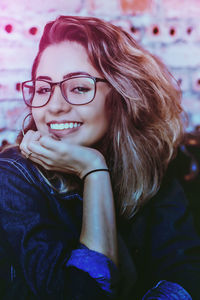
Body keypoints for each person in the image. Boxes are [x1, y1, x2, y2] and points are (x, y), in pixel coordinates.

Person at [0, 15, 200, 300]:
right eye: (44, 88)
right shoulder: (12, 178)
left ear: (120, 94)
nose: (54, 106)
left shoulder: (150, 165)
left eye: (79, 88)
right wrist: (93, 169)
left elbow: (186, 273)